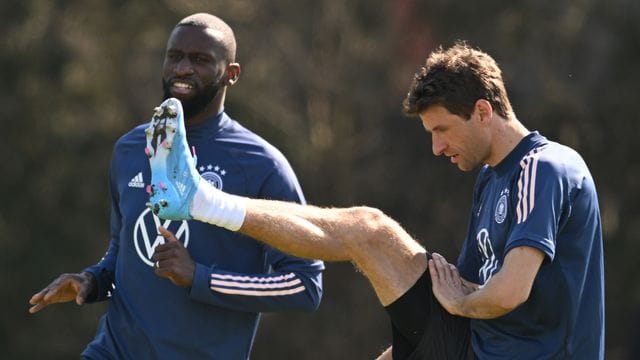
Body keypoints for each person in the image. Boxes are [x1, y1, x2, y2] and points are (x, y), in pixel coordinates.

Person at [146, 42, 604, 359]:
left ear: (483, 111)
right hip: (475, 347)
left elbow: (504, 292)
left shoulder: (543, 168)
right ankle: (201, 199)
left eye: (442, 130)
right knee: (365, 229)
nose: (437, 148)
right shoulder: (490, 177)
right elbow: (463, 290)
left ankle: (203, 200)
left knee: (369, 229)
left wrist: (461, 304)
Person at [28, 13, 324, 359]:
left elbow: (305, 285)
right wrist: (92, 281)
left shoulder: (261, 165)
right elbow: (121, 248)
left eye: (200, 60)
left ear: (232, 74)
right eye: (175, 56)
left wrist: (200, 278)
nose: (183, 68)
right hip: (112, 351)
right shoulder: (130, 148)